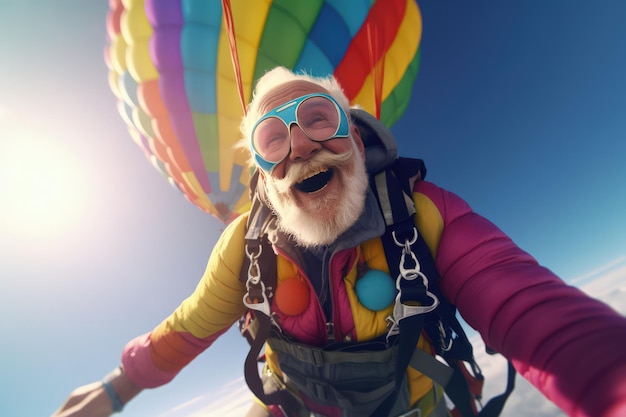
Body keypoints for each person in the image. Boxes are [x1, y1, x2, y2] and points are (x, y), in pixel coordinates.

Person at [53, 67, 626, 417]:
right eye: (273, 139)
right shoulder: (245, 245)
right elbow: (190, 326)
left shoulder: (421, 213)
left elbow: (532, 308)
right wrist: (116, 388)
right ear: (264, 176)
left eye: (319, 119)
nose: (301, 145)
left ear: (354, 133)